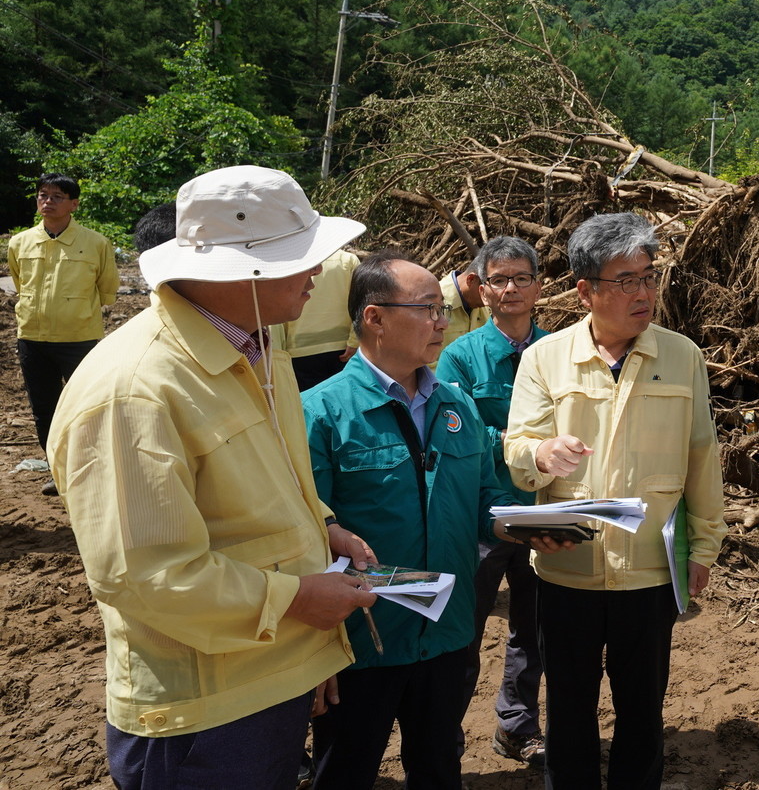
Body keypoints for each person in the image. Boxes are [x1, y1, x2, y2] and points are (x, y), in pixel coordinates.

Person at [47, 165, 379, 790]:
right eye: (300, 257)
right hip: (206, 709)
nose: (319, 273)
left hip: (265, 668)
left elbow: (267, 483)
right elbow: (148, 576)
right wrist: (301, 601)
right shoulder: (136, 391)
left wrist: (322, 531)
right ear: (237, 270)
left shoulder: (256, 349)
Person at [504, 211, 726, 790]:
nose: (643, 292)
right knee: (569, 709)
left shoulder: (682, 357)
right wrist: (541, 455)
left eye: (649, 277)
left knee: (643, 712)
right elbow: (518, 448)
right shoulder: (545, 358)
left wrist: (704, 547)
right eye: (626, 280)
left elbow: (703, 455)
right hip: (567, 568)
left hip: (651, 568)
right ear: (586, 290)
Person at [302, 251, 523, 789]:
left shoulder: (456, 405)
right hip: (361, 641)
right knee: (345, 769)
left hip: (446, 631)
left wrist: (515, 526)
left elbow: (484, 498)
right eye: (427, 309)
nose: (443, 321)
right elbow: (302, 539)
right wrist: (313, 654)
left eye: (441, 310)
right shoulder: (319, 412)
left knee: (439, 766)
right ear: (374, 318)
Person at [436, 236, 550, 767]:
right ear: (480, 289)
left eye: (521, 278)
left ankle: (517, 726)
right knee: (463, 631)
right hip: (484, 515)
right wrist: (524, 447)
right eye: (498, 279)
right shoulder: (458, 357)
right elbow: (459, 435)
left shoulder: (557, 351)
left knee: (534, 628)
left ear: (539, 285)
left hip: (545, 510)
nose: (510, 289)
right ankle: (444, 738)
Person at [10, 172, 118, 493]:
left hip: (80, 340)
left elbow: (107, 288)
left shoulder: (96, 243)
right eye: (43, 195)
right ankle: (59, 473)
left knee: (88, 407)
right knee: (44, 410)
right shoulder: (20, 242)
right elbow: (19, 283)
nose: (48, 201)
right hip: (32, 339)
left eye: (57, 197)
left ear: (74, 204)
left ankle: (96, 470)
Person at [279, 248, 360, 391]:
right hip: (343, 348)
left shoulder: (289, 260)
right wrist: (355, 341)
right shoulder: (347, 260)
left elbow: (280, 308)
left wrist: (281, 350)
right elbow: (360, 303)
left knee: (307, 406)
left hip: (300, 350)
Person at [439, 263, 489, 351]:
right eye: (485, 292)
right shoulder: (433, 302)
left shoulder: (483, 303)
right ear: (471, 280)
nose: (488, 302)